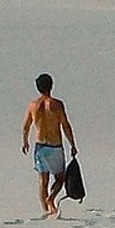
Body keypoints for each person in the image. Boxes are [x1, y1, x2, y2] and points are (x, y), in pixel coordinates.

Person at [22, 72, 78, 217]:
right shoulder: (57, 104)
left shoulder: (33, 105)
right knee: (60, 178)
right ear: (51, 85)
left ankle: (47, 210)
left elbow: (26, 126)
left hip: (40, 146)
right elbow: (65, 125)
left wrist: (25, 141)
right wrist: (72, 144)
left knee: (43, 179)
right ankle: (51, 199)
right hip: (55, 146)